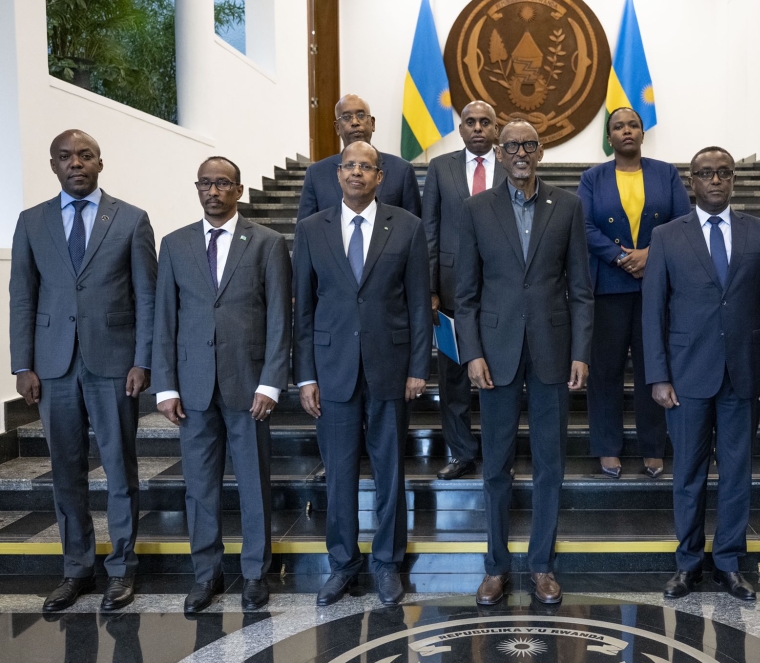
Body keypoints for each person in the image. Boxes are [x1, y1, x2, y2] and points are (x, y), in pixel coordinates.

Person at [9, 130, 157, 612]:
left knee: (119, 468)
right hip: (52, 367)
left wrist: (143, 359)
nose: (76, 163)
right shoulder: (31, 222)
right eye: (66, 157)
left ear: (100, 162)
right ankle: (76, 569)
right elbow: (22, 297)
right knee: (65, 471)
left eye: (85, 155)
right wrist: (23, 363)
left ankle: (122, 568)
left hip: (114, 363)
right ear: (53, 165)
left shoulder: (132, 220)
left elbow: (147, 297)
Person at [455, 120, 594, 606]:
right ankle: (495, 567)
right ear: (499, 151)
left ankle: (541, 565)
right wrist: (470, 351)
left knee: (549, 464)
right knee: (495, 465)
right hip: (494, 355)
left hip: (553, 351)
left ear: (540, 151)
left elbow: (580, 289)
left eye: (528, 145)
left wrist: (581, 351)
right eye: (511, 145)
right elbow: (465, 294)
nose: (520, 152)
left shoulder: (568, 206)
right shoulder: (476, 208)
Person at [643, 146, 760, 601]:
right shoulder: (667, 236)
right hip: (686, 376)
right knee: (687, 471)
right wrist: (658, 375)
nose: (715, 181)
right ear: (692, 181)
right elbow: (653, 312)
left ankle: (728, 563)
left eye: (723, 173)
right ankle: (688, 564)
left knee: (736, 472)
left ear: (732, 180)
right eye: (706, 174)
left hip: (744, 373)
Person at [293, 141, 432, 607]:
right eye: (349, 165)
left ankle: (388, 563)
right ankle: (343, 564)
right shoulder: (312, 229)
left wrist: (419, 366)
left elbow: (418, 304)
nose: (356, 173)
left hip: (390, 368)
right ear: (337, 174)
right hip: (332, 371)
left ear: (380, 177)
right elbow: (304, 310)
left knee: (389, 472)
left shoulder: (408, 227)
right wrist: (305, 375)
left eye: (366, 167)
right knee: (339, 474)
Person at [152, 157, 292, 613]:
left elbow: (278, 319)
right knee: (199, 488)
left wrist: (272, 382)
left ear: (238, 189)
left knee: (253, 483)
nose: (213, 191)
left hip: (248, 385)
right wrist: (165, 385)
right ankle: (206, 574)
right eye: (206, 183)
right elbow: (164, 320)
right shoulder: (174, 245)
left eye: (223, 184)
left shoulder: (267, 243)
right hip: (192, 388)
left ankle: (254, 573)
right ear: (197, 188)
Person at [577, 107, 690, 479]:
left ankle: (653, 447)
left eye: (633, 125)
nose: (626, 131)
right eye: (618, 127)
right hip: (609, 286)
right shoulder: (592, 178)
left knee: (652, 369)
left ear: (643, 133)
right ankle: (608, 447)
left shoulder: (666, 173)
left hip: (655, 287)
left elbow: (681, 220)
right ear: (609, 137)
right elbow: (585, 224)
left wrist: (650, 254)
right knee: (606, 371)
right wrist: (620, 256)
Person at [423, 101, 509, 480]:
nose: (477, 128)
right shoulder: (440, 168)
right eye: (470, 122)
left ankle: (498, 452)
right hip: (452, 289)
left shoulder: (512, 165)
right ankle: (461, 453)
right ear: (460, 130)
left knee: (501, 375)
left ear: (496, 128)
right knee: (453, 376)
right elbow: (429, 229)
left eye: (485, 122)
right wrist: (429, 288)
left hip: (500, 289)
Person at [297, 94, 421, 220]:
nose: (355, 122)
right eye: (346, 117)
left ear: (372, 123)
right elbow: (305, 233)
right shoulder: (316, 174)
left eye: (361, 115)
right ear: (337, 127)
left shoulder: (401, 171)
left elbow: (414, 229)